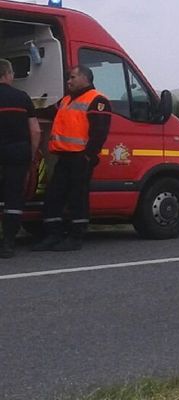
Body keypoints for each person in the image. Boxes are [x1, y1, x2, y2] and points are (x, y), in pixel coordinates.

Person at [33, 65, 111, 251]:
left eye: (73, 77)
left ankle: (76, 236)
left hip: (80, 158)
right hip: (64, 156)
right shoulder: (66, 100)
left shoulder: (97, 100)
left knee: (78, 197)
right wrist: (27, 110)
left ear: (85, 78)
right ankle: (53, 234)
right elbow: (47, 113)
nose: (69, 81)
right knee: (54, 195)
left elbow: (99, 132)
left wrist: (88, 156)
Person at [0, 59, 41, 258]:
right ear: (8, 74)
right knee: (13, 198)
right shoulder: (22, 97)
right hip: (18, 154)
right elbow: (35, 131)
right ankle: (8, 243)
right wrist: (32, 156)